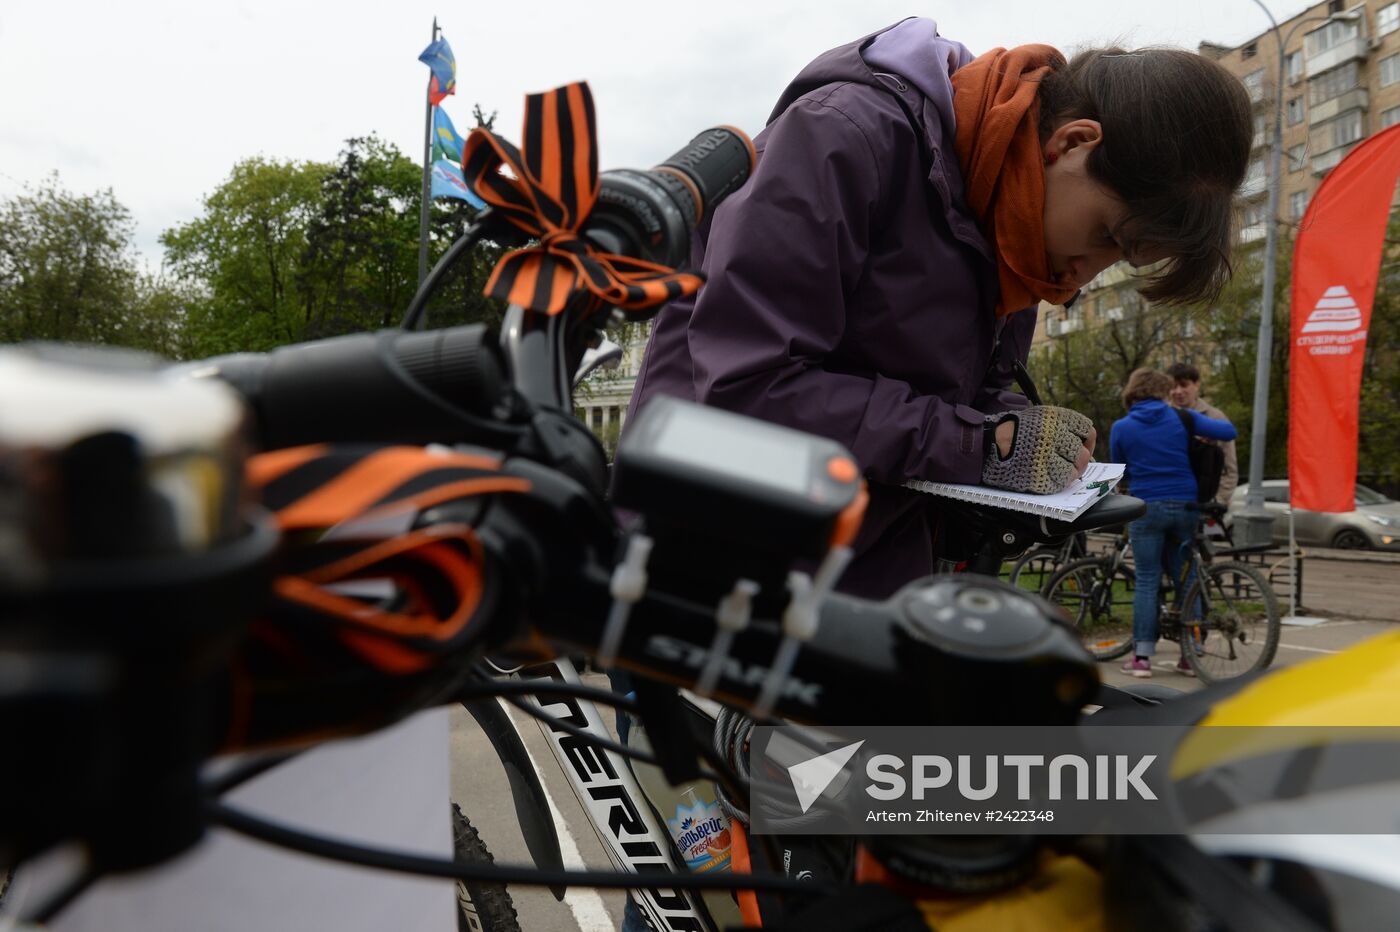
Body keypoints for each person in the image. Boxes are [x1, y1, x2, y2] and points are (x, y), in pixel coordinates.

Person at [625, 17, 1252, 600]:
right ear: (1074, 143)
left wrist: (1024, 430)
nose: (1081, 275)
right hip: (710, 573)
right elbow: (744, 389)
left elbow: (958, 404)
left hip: (862, 580)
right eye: (1109, 236)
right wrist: (986, 444)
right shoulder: (847, 137)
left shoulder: (1010, 235)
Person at [1109, 368, 1237, 677]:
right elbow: (1229, 432)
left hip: (1145, 508)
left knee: (1148, 579)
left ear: (1132, 392)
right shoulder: (1182, 418)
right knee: (1188, 578)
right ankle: (1189, 655)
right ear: (1163, 392)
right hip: (1185, 506)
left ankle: (1141, 658)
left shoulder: (1121, 427)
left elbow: (1119, 472)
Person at [1167, 361, 1239, 507]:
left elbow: (1229, 468)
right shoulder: (1161, 417)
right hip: (1167, 501)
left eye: (1184, 385)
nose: (1178, 391)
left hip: (1204, 503)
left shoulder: (1215, 418)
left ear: (1196, 385)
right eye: (1173, 387)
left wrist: (1216, 500)